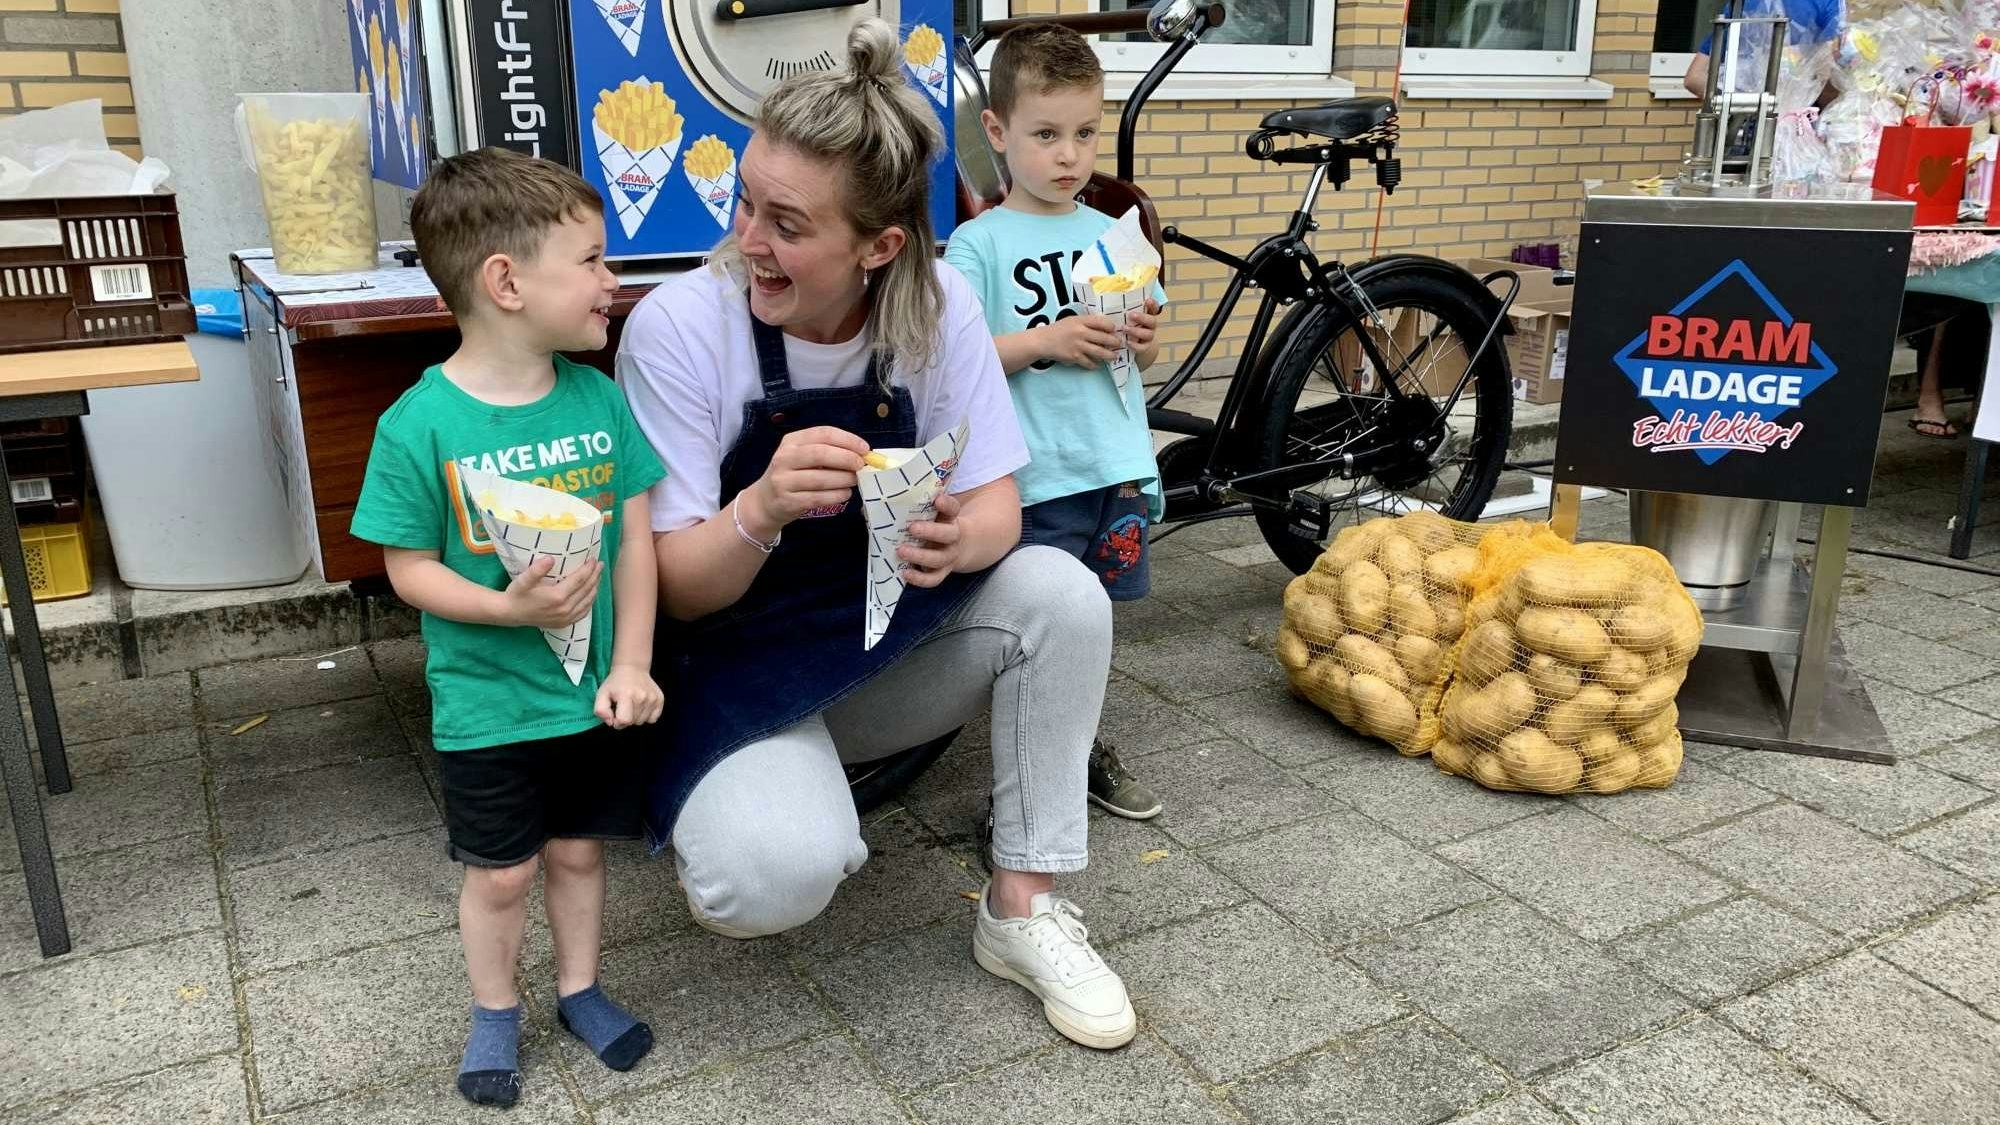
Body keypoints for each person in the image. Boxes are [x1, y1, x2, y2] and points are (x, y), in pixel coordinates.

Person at [617, 19, 1137, 1050]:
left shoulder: (937, 303)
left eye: (786, 223)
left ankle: (1021, 908)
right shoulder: (679, 328)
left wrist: (962, 541)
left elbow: (997, 502)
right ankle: (768, 802)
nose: (746, 242)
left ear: (879, 246)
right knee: (766, 878)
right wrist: (757, 510)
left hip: (880, 639)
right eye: (744, 202)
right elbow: (672, 588)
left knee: (1062, 593)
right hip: (731, 663)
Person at [350, 147, 666, 1108]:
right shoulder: (418, 427)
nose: (613, 282)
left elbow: (635, 544)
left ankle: (579, 988)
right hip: (488, 705)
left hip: (589, 694)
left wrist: (635, 661)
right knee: (500, 876)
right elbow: (407, 571)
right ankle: (495, 1010)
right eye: (593, 260)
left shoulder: (600, 400)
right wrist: (507, 608)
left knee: (579, 851)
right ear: (506, 282)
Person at [944, 23, 1166, 822]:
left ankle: (1078, 752)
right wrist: (1046, 339)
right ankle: (1016, 793)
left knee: (1096, 625)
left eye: (1083, 133)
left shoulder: (1113, 235)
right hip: (1034, 480)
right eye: (1046, 135)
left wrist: (1140, 338)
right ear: (997, 132)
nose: (1069, 156)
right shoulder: (979, 245)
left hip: (1112, 468)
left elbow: (1139, 356)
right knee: (1031, 633)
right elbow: (954, 358)